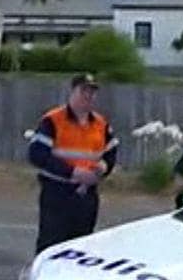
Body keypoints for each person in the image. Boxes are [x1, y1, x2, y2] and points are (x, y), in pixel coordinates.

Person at [28, 73, 118, 254]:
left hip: (87, 196)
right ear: (73, 92)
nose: (88, 96)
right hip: (58, 194)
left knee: (82, 247)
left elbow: (111, 152)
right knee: (52, 246)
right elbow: (37, 154)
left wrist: (104, 167)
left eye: (92, 92)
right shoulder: (53, 120)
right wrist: (73, 173)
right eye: (83, 90)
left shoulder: (101, 124)